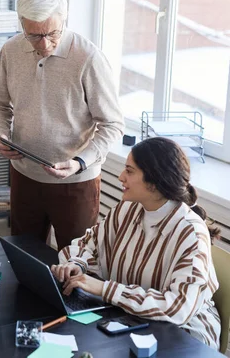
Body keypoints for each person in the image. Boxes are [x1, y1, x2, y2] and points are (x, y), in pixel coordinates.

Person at [0, 0, 124, 249]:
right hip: (24, 176)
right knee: (23, 256)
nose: (45, 44)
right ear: (22, 24)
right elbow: (0, 106)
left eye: (52, 33)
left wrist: (80, 162)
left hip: (76, 182)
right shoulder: (10, 51)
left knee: (74, 264)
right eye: (34, 35)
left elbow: (113, 125)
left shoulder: (88, 58)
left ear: (64, 19)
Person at [51, 137, 221, 349]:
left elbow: (177, 308)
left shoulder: (191, 233)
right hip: (131, 317)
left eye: (130, 171)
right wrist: (77, 264)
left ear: (155, 181)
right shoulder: (127, 209)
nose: (121, 177)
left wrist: (106, 289)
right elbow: (89, 243)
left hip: (184, 333)